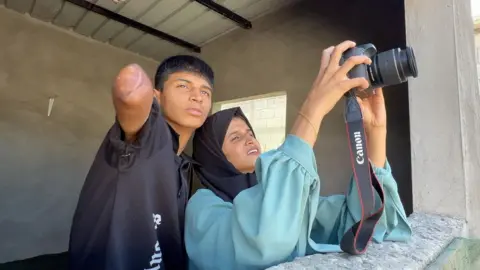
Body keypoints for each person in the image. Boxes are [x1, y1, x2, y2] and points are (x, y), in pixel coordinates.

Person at [185, 40, 412, 270]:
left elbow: (360, 221)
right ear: (214, 156)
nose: (250, 139)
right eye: (235, 137)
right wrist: (313, 108)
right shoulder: (202, 208)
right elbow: (265, 241)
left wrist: (375, 132)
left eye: (250, 132)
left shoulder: (277, 192)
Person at [68, 55, 214, 270]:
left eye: (205, 92)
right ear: (157, 96)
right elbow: (132, 95)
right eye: (183, 86)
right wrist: (135, 88)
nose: (197, 97)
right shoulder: (147, 137)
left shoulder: (182, 164)